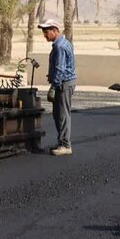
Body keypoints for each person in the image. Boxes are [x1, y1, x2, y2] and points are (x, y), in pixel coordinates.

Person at [38, 19, 76, 156]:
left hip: (63, 84)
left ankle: (65, 145)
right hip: (64, 82)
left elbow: (60, 69)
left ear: (55, 30)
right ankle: (62, 142)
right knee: (57, 114)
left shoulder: (59, 47)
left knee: (63, 115)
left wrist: (53, 87)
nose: (45, 35)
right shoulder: (64, 43)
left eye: (46, 32)